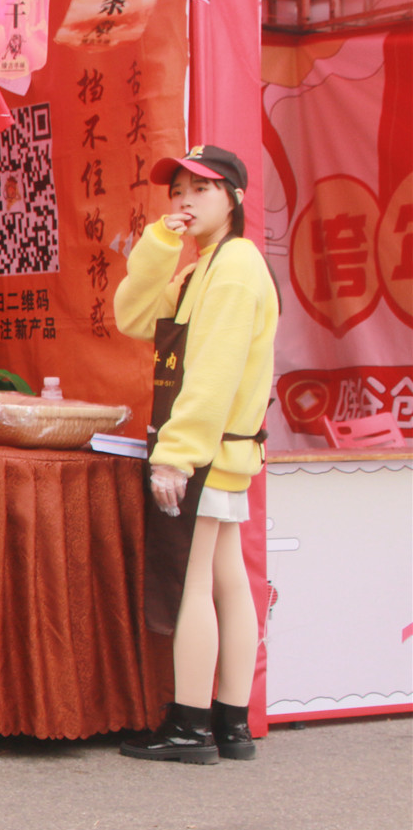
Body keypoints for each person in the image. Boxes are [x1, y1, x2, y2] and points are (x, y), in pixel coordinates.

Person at [113, 145, 279, 764]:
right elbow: (133, 316)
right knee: (227, 580)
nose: (185, 201)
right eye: (177, 190)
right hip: (219, 452)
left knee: (194, 584)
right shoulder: (202, 267)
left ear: (234, 198)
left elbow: (212, 374)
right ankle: (232, 723)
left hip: (207, 454)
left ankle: (190, 723)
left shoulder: (233, 267)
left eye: (201, 189)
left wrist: (175, 456)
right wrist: (162, 241)